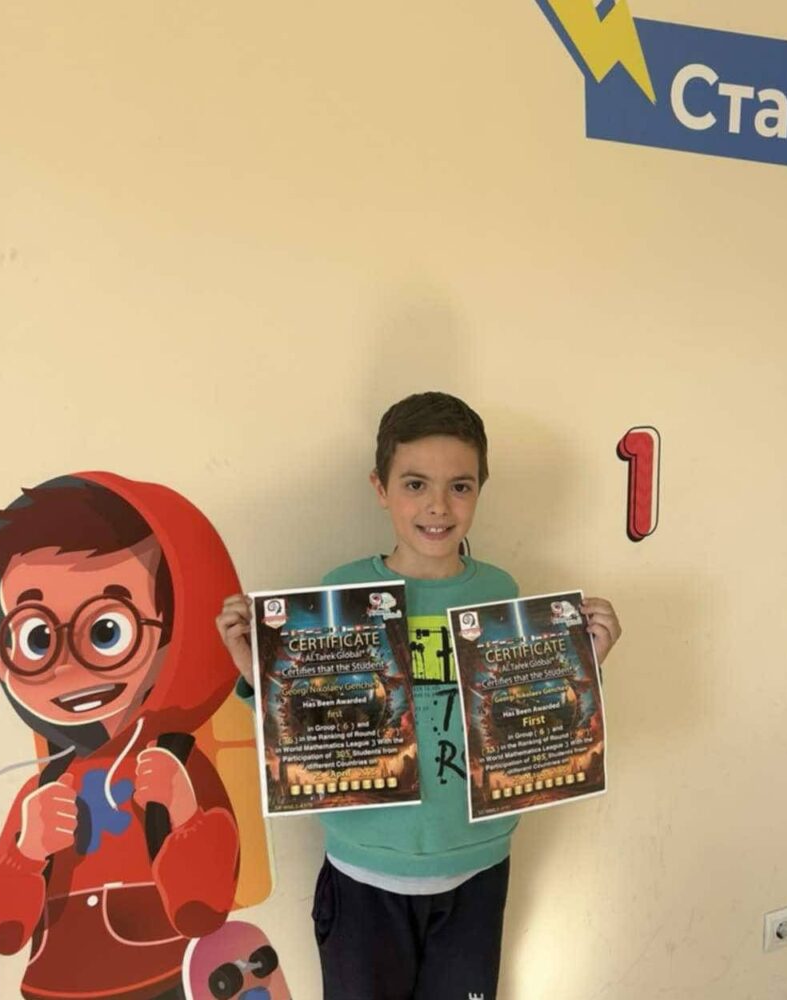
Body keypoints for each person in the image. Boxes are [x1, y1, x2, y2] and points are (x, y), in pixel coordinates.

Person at [216, 392, 621, 1000]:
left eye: (460, 486)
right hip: (363, 874)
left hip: (477, 868)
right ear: (380, 488)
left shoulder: (500, 591)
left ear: (480, 489)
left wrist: (586, 664)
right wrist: (254, 672)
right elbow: (311, 732)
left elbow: (529, 723)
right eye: (415, 484)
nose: (438, 506)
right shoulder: (340, 591)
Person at [0, 473, 241, 1000]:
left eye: (106, 631)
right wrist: (26, 853)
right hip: (52, 989)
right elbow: (4, 932)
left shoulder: (178, 766)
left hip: (164, 983)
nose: (67, 666)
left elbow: (204, 909)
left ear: (175, 632)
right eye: (36, 638)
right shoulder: (42, 789)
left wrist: (185, 814)